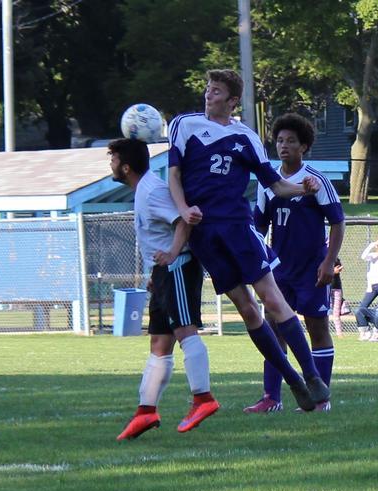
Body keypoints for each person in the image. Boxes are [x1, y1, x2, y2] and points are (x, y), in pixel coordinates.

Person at [168, 69, 330, 412]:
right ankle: (293, 380)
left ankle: (312, 376)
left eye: (216, 91)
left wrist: (304, 189)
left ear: (232, 100)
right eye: (208, 89)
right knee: (247, 310)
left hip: (239, 228)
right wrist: (183, 208)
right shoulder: (184, 125)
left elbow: (276, 186)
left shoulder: (246, 137)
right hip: (205, 234)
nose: (208, 95)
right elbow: (174, 175)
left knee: (271, 298)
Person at [108, 138, 219, 440]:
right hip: (163, 273)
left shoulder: (153, 190)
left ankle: (203, 398)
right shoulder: (143, 190)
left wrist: (171, 254)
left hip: (177, 267)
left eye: (113, 159)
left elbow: (184, 222)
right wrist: (155, 273)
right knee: (159, 341)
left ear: (126, 167)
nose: (111, 165)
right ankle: (146, 411)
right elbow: (160, 232)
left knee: (185, 331)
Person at [243, 112, 345, 413]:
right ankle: (271, 398)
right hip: (278, 271)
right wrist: (258, 260)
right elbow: (259, 226)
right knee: (274, 330)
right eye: (279, 140)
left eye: (290, 141)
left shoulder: (316, 181)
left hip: (312, 268)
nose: (283, 145)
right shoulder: (268, 183)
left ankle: (321, 399)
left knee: (317, 327)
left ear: (304, 146)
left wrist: (328, 263)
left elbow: (338, 222)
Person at [331, 258, 345, 338]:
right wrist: (333, 271)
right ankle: (321, 331)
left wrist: (338, 269)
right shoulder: (321, 256)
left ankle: (339, 333)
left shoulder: (335, 258)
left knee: (336, 312)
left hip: (336, 288)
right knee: (322, 311)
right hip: (324, 288)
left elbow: (339, 267)